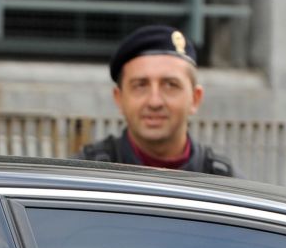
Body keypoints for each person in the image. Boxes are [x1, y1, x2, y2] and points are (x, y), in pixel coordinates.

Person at [77, 24, 235, 176]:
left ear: (195, 99)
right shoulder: (85, 178)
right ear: (119, 99)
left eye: (170, 85)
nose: (154, 102)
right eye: (140, 85)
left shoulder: (227, 189)